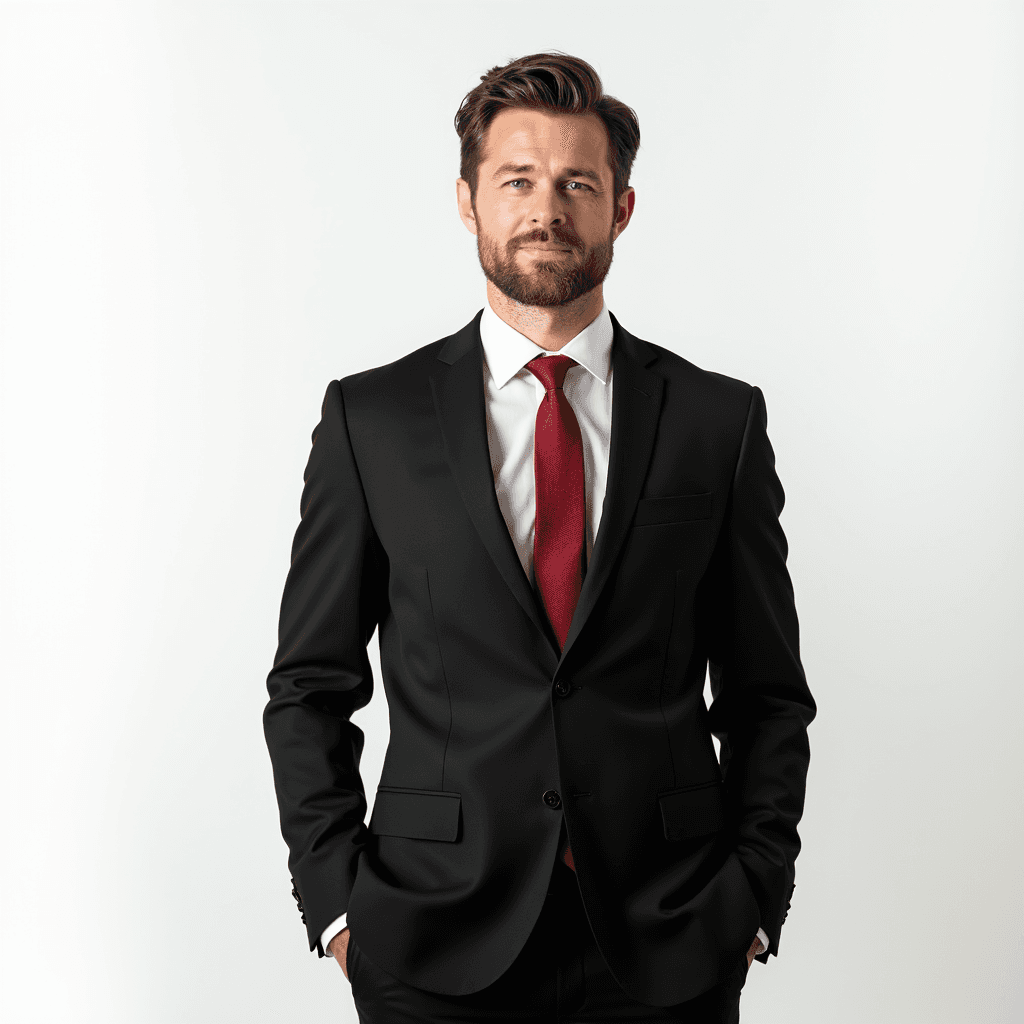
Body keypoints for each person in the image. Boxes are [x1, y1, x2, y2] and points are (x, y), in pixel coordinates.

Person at [263, 51, 816, 1023]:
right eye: (516, 180)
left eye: (576, 184)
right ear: (468, 201)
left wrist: (753, 895)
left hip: (669, 935)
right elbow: (309, 686)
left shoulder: (715, 423)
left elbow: (766, 693)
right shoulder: (372, 420)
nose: (545, 208)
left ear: (622, 209)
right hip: (430, 938)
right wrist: (340, 905)